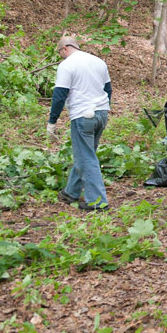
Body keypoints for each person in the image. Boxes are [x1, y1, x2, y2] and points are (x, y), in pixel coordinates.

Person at [47, 36, 112, 211]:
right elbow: (108, 89)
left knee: (86, 157)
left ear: (65, 48)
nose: (61, 56)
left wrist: (52, 121)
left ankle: (98, 202)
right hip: (101, 113)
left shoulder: (67, 65)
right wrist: (105, 107)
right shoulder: (98, 62)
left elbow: (60, 94)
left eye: (60, 52)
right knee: (86, 154)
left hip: (83, 115)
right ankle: (71, 192)